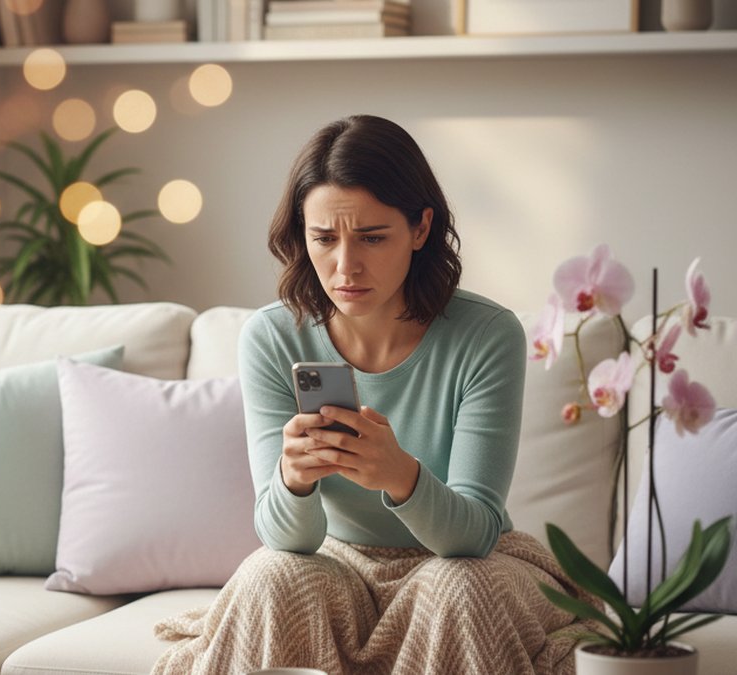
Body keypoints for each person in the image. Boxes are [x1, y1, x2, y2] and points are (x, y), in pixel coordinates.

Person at [152, 115, 596, 674]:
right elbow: (288, 540)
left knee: (459, 587)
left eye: (372, 237)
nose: (346, 266)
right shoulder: (271, 337)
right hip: (337, 563)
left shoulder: (487, 335)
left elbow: (473, 536)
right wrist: (293, 480)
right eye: (324, 238)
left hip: (466, 561)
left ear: (421, 228)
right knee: (272, 575)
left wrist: (399, 475)